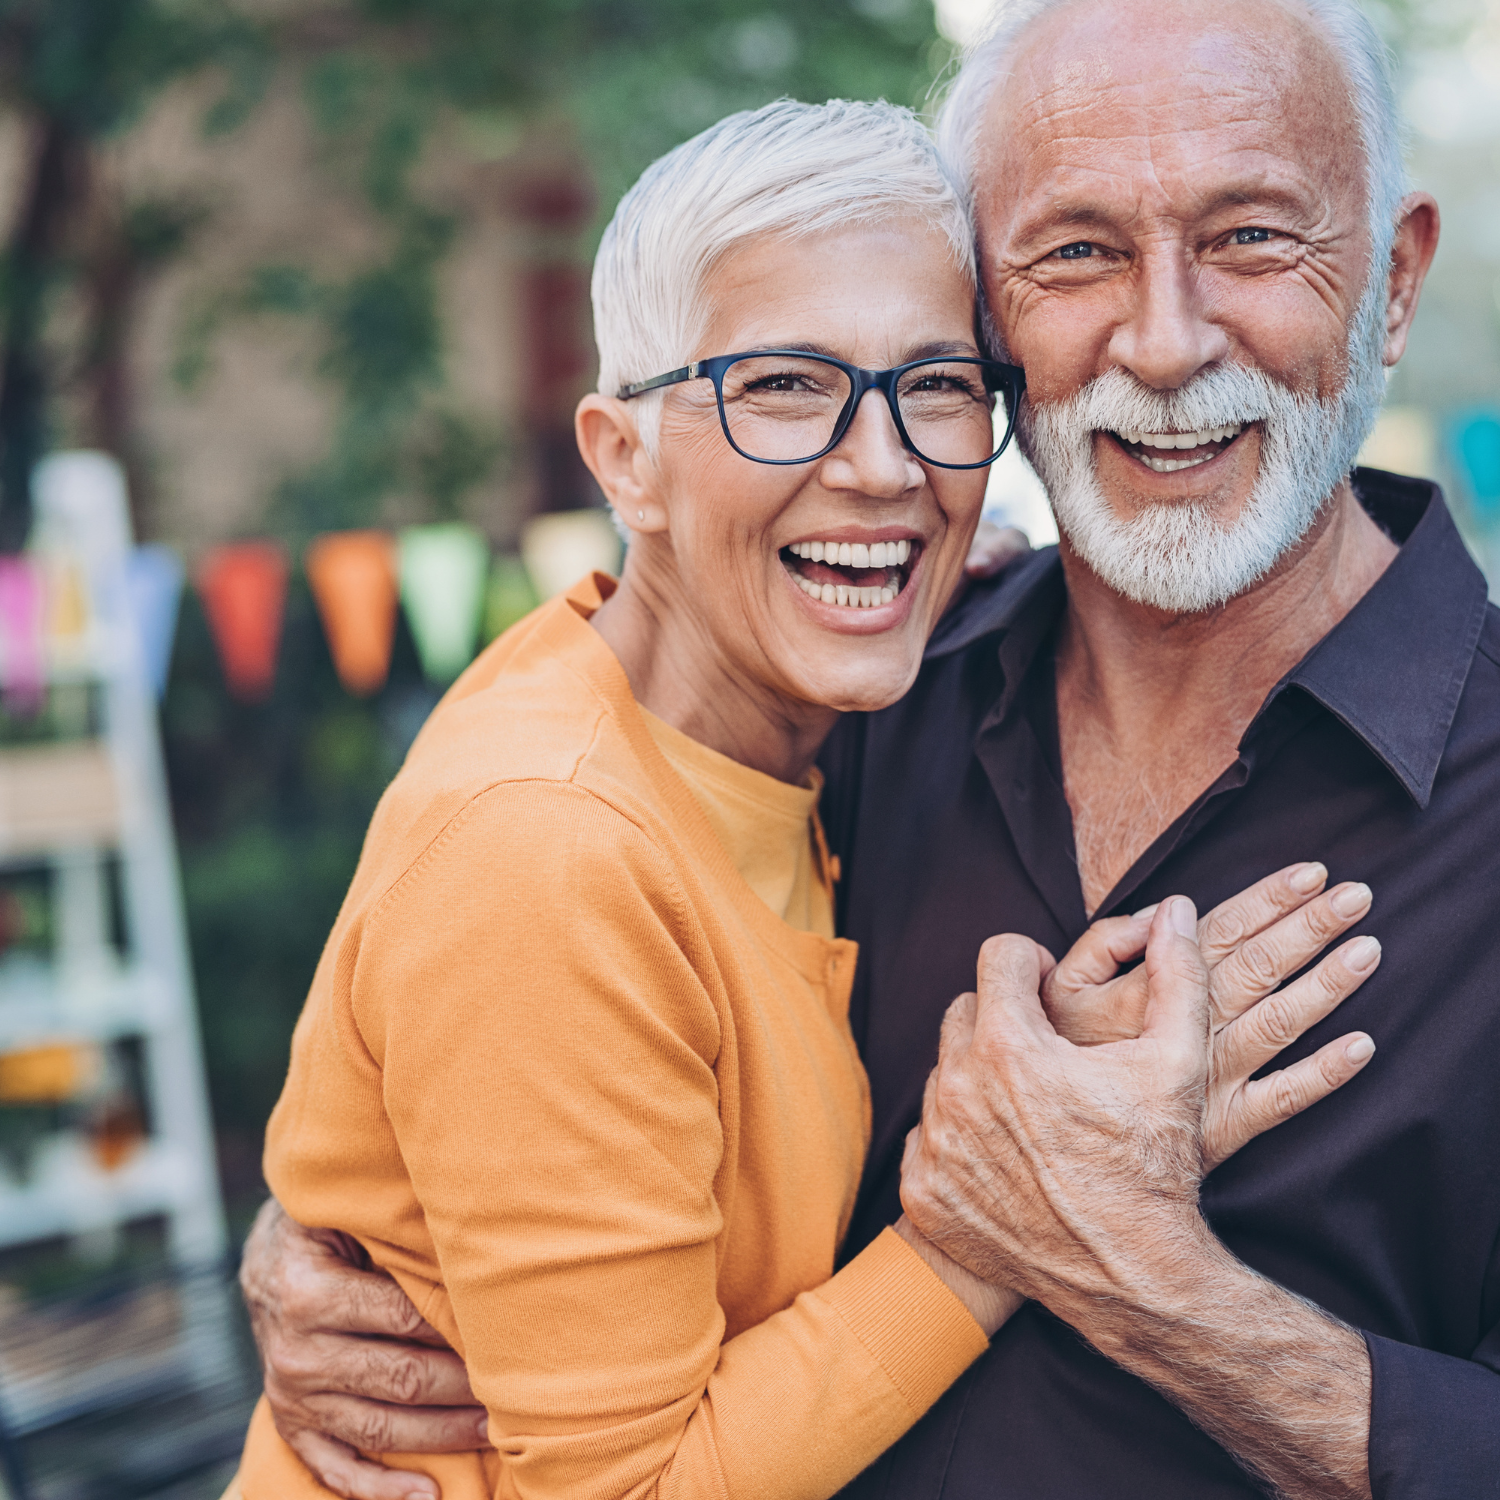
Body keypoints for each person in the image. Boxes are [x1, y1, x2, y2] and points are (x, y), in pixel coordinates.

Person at [238, 0, 1474, 1488]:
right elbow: (512, 976)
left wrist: (1158, 1291)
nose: (1161, 340)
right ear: (1000, 322)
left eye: (1252, 238)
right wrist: (347, 1235)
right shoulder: (860, 699)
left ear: (1393, 282)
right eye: (1076, 249)